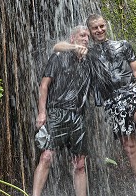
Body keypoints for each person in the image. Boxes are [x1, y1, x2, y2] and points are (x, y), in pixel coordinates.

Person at [54, 14, 136, 188]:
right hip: (112, 102)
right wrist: (75, 46)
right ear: (90, 32)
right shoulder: (88, 53)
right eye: (95, 28)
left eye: (101, 26)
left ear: (106, 26)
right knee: (130, 148)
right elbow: (57, 47)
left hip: (132, 91)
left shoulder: (123, 45)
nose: (99, 30)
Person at [33, 25, 90, 196]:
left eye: (88, 36)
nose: (86, 39)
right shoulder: (59, 56)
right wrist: (42, 112)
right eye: (82, 35)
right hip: (57, 113)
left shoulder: (89, 60)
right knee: (46, 156)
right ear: (73, 38)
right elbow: (44, 85)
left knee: (80, 163)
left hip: (78, 116)